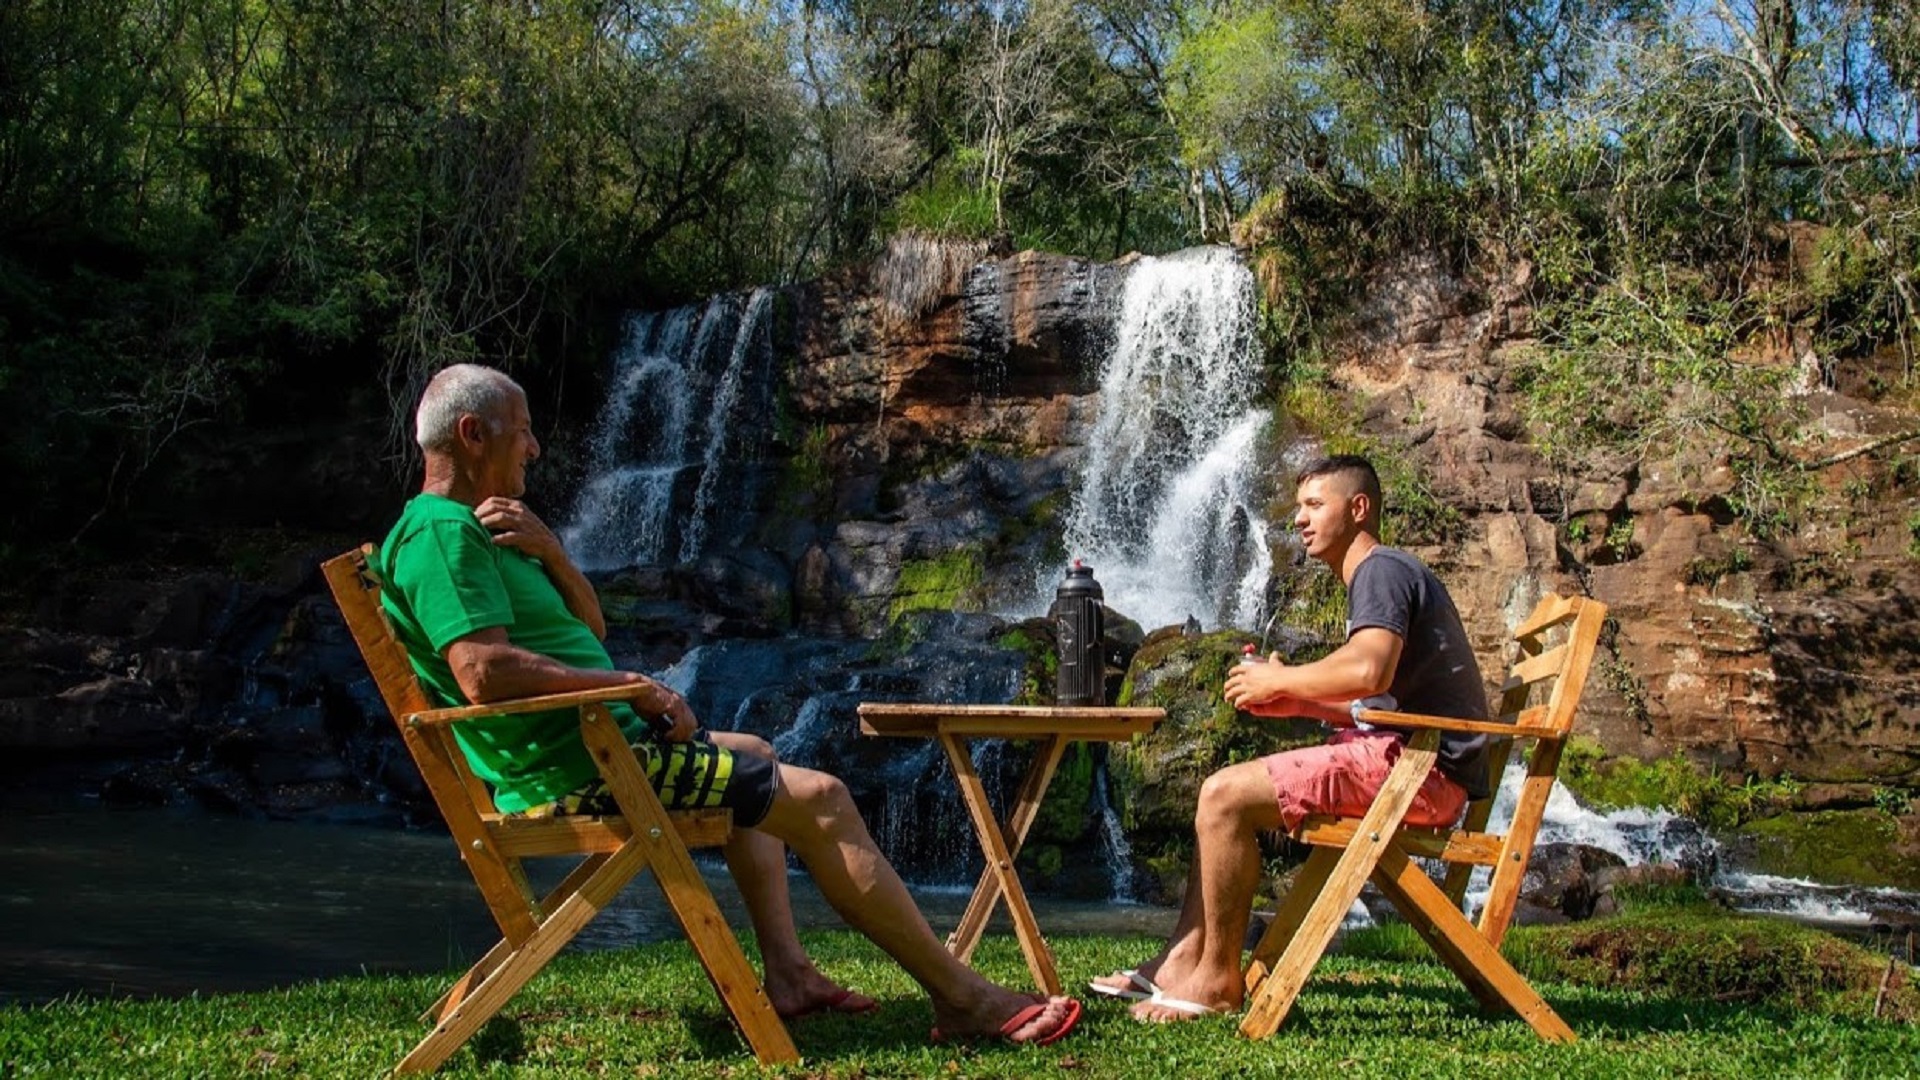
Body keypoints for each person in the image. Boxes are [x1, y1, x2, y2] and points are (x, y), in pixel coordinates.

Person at [378, 363, 1080, 1045]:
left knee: (757, 754)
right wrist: (635, 689)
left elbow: (586, 629)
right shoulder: (443, 536)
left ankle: (789, 974)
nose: (533, 447)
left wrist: (553, 555)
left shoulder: (485, 529)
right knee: (825, 798)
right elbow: (482, 671)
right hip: (588, 769)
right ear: (473, 434)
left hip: (597, 749)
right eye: (522, 432)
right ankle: (963, 997)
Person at [1091, 453, 1491, 1022]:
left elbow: (1369, 669)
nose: (1299, 520)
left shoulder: (1380, 570)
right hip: (1409, 759)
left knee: (1223, 797)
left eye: (1313, 505)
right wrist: (1297, 700)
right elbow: (1381, 693)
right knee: (1220, 793)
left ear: (1358, 509)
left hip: (1420, 773)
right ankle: (1182, 959)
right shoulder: (1382, 575)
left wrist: (1281, 678)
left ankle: (1215, 981)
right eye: (1298, 507)